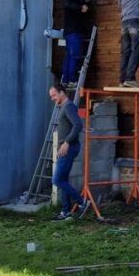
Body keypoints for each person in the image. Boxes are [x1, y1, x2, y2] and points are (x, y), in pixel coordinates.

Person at [48, 85, 90, 220]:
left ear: (62, 93)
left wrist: (66, 142)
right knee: (63, 179)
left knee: (57, 179)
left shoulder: (68, 106)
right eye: (51, 96)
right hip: (66, 147)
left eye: (54, 95)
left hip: (68, 148)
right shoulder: (63, 107)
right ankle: (65, 212)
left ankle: (82, 202)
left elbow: (78, 125)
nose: (52, 99)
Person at [61, 0, 92, 86]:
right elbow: (67, 4)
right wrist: (81, 7)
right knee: (74, 55)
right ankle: (72, 80)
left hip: (70, 32)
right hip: (74, 31)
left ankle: (65, 80)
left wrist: (83, 3)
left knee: (69, 56)